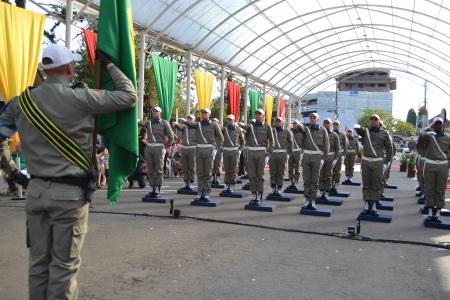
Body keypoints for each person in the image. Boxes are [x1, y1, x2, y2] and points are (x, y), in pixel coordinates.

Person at [0, 44, 137, 299]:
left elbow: (0, 137)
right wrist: (109, 65)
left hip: (36, 192)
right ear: (69, 67)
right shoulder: (81, 97)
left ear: (46, 69)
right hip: (70, 195)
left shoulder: (21, 102)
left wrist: (11, 170)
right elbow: (129, 95)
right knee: (64, 266)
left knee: (38, 264)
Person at [354, 114, 393, 216]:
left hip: (378, 161)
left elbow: (390, 149)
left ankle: (374, 207)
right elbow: (359, 130)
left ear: (379, 122)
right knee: (366, 184)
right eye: (372, 119)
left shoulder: (384, 133)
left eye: (376, 119)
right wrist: (356, 126)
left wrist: (387, 162)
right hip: (366, 161)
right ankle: (367, 206)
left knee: (376, 184)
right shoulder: (366, 132)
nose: (373, 121)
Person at [417, 117, 450, 223]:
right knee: (429, 189)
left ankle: (438, 213)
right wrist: (428, 130)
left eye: (440, 123)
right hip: (430, 164)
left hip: (442, 165)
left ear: (442, 125)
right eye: (436, 123)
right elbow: (420, 143)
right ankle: (431, 213)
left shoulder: (447, 137)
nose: (438, 125)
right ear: (433, 125)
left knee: (440, 190)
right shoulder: (428, 136)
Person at [240, 109, 273, 205]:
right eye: (256, 114)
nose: (258, 115)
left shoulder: (267, 127)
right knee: (252, 175)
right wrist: (240, 124)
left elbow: (271, 141)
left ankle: (260, 195)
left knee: (260, 175)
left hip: (261, 152)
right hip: (251, 152)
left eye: (260, 114)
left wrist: (269, 153)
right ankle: (254, 195)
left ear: (263, 116)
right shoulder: (251, 126)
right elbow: (245, 128)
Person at [297, 113, 329, 209]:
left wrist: (323, 158)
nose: (312, 119)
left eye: (314, 118)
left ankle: (313, 200)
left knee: (314, 180)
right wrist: (298, 126)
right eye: (310, 118)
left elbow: (326, 145)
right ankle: (307, 199)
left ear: (317, 119)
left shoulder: (323, 130)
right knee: (306, 179)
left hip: (317, 156)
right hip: (307, 155)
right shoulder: (306, 129)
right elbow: (301, 134)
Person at [142, 106, 174, 198]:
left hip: (159, 147)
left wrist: (165, 146)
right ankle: (152, 188)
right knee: (150, 169)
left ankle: (157, 189)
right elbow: (140, 123)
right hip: (150, 147)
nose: (154, 113)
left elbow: (171, 137)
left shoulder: (164, 123)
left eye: (156, 111)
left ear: (160, 113)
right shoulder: (149, 122)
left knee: (158, 169)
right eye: (153, 111)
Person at [195, 108, 224, 200]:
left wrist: (216, 148)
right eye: (202, 113)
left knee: (207, 173)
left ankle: (206, 191)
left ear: (209, 115)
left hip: (209, 149)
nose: (203, 114)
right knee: (200, 172)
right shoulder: (198, 124)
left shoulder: (214, 125)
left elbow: (220, 137)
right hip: (199, 149)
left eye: (205, 113)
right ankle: (200, 191)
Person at [268, 116, 293, 196]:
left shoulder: (287, 131)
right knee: (273, 172)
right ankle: (273, 188)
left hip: (282, 153)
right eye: (277, 121)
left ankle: (279, 188)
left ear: (282, 122)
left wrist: (289, 154)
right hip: (273, 153)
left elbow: (291, 143)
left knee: (281, 172)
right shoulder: (272, 130)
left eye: (279, 121)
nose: (278, 122)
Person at [221, 114, 245, 193]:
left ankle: (232, 185)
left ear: (233, 120)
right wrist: (221, 147)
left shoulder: (238, 129)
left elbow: (242, 141)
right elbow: (219, 137)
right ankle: (227, 184)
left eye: (230, 120)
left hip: (235, 150)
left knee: (234, 169)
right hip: (226, 150)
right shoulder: (224, 129)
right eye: (228, 119)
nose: (229, 121)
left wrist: (240, 150)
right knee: (227, 168)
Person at [175, 115, 197, 191]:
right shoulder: (184, 127)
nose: (188, 120)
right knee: (185, 166)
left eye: (190, 119)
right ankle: (185, 182)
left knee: (191, 166)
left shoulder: (196, 126)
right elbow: (179, 128)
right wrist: (176, 125)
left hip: (192, 148)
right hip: (184, 148)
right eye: (188, 118)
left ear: (193, 120)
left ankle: (190, 182)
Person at [318, 118, 339, 200]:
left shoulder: (334, 135)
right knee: (320, 174)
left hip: (330, 156)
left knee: (328, 175)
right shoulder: (319, 133)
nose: (326, 124)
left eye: (328, 123)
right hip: (321, 155)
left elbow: (337, 148)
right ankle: (321, 191)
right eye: (325, 122)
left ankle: (326, 192)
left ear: (330, 124)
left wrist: (336, 158)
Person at [331, 120, 348, 193]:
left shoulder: (342, 135)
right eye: (334, 124)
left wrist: (343, 154)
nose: (335, 125)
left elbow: (345, 145)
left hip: (339, 154)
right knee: (329, 171)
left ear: (339, 126)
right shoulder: (330, 133)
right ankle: (330, 185)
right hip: (331, 154)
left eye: (336, 124)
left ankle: (335, 185)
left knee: (337, 171)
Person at [286, 119, 303, 190]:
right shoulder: (290, 132)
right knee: (290, 168)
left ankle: (295, 182)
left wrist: (302, 152)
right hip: (290, 152)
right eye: (294, 124)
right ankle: (291, 182)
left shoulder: (302, 133)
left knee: (297, 168)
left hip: (298, 152)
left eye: (296, 124)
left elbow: (304, 142)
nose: (294, 125)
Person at [211, 117, 223, 185]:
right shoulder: (210, 130)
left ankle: (217, 178)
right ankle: (213, 178)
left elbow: (223, 138)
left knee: (218, 163)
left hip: (218, 148)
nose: (214, 123)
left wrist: (219, 147)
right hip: (212, 148)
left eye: (215, 122)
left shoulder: (222, 129)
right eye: (213, 121)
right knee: (212, 163)